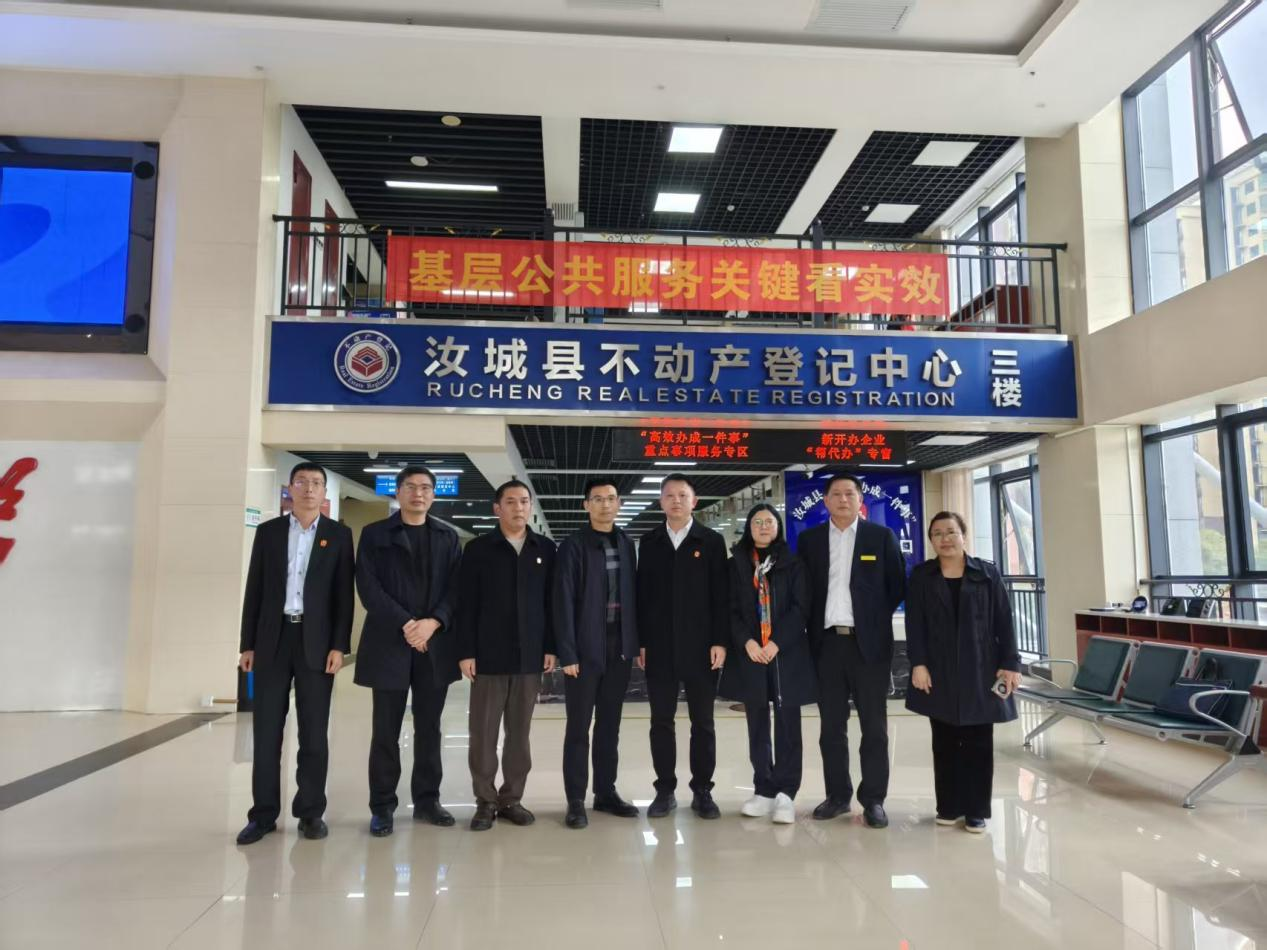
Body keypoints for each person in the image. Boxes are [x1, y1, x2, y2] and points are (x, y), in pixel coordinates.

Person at [236, 462, 354, 845]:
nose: (309, 489)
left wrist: (339, 645)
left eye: (317, 483)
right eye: (302, 482)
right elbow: (254, 588)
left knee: (314, 734)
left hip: (316, 644)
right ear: (290, 488)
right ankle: (263, 815)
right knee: (266, 733)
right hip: (271, 641)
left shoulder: (339, 536)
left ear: (324, 492)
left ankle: (310, 812)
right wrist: (247, 644)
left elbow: (343, 596)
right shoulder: (269, 532)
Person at [354, 465, 461, 837]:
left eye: (426, 488)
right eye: (411, 487)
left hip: (434, 645)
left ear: (434, 494)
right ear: (397, 492)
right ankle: (382, 805)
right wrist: (407, 624)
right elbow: (369, 588)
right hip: (389, 643)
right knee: (385, 730)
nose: (419, 494)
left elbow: (456, 589)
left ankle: (428, 801)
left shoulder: (447, 537)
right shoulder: (375, 534)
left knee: (429, 728)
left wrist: (433, 622)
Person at [798, 472, 907, 829]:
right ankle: (837, 795)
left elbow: (896, 586)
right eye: (836, 494)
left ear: (860, 499)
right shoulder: (811, 540)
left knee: (874, 727)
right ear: (825, 501)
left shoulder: (881, 536)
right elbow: (805, 590)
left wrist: (872, 619)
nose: (843, 499)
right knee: (831, 727)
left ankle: (873, 799)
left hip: (869, 646)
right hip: (826, 644)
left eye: (849, 493)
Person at [905, 511, 1021, 834]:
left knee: (978, 743)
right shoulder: (922, 576)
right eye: (937, 533)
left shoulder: (986, 573)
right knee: (943, 741)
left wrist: (1010, 663)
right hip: (938, 669)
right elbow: (915, 624)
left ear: (964, 536)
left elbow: (1004, 620)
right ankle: (948, 806)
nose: (945, 539)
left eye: (951, 532)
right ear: (931, 540)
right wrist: (918, 663)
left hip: (981, 669)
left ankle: (975, 811)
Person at [457, 479, 557, 831]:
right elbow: (465, 604)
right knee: (483, 733)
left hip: (530, 657)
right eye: (511, 502)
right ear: (497, 508)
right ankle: (485, 800)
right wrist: (466, 651)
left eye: (524, 501)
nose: (519, 508)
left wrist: (551, 646)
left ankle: (512, 798)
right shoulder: (478, 549)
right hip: (488, 657)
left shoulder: (545, 549)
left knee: (519, 733)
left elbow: (552, 603)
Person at [636, 473, 729, 820]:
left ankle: (703, 790)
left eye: (682, 495)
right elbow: (642, 596)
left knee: (702, 722)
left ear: (694, 501)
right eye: (669, 495)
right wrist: (642, 642)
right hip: (659, 647)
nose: (676, 501)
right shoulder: (650, 542)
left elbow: (721, 596)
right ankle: (665, 789)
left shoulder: (711, 541)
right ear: (661, 501)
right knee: (661, 721)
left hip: (702, 647)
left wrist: (720, 640)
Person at [719, 504, 816, 824]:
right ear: (749, 527)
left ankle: (787, 792)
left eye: (769, 522)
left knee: (788, 724)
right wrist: (747, 642)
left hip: (785, 653)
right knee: (757, 722)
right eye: (757, 522)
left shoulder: (793, 563)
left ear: (778, 527)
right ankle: (763, 788)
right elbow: (730, 609)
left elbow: (801, 609)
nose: (763, 527)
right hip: (750, 653)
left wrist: (776, 643)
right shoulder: (736, 565)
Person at [553, 477, 640, 829]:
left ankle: (605, 792)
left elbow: (634, 597)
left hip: (619, 648)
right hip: (584, 648)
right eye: (598, 499)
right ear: (586, 505)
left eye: (611, 498)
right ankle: (576, 799)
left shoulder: (626, 543)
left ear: (619, 504)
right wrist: (568, 653)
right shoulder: (573, 545)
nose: (606, 504)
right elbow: (562, 600)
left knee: (609, 726)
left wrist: (633, 644)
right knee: (578, 727)